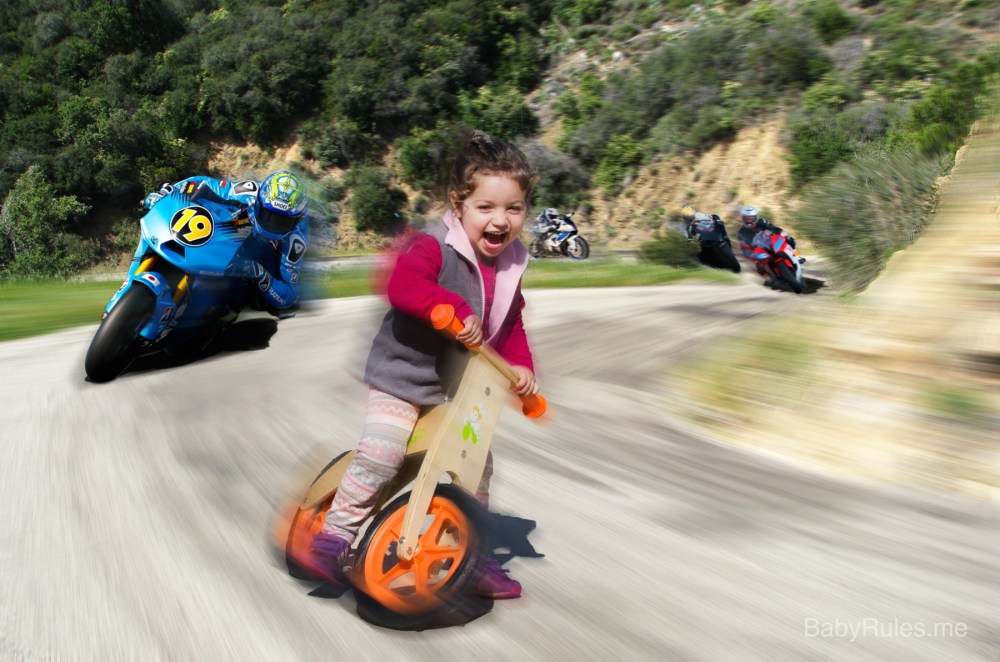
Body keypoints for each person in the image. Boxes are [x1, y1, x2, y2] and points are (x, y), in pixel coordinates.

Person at [303, 133, 540, 600]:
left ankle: (471, 556)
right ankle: (335, 536)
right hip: (401, 379)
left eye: (513, 208)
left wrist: (522, 369)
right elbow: (404, 285)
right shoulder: (434, 245)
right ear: (460, 204)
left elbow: (511, 324)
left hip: (455, 389)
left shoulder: (510, 264)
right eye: (486, 207)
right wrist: (447, 305)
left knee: (476, 465)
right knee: (382, 453)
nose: (500, 220)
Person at [142, 170, 309, 316]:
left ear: (295, 221)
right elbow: (202, 183)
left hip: (266, 255)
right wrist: (168, 192)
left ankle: (219, 314)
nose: (272, 225)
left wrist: (259, 273)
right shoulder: (251, 192)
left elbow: (289, 296)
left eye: (282, 222)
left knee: (260, 302)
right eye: (268, 216)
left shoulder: (296, 240)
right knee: (221, 218)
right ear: (259, 203)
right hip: (243, 222)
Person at [736, 205, 793, 287]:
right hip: (759, 250)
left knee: (789, 241)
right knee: (759, 267)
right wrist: (749, 254)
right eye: (746, 219)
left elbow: (773, 228)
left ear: (756, 217)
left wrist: (783, 234)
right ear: (743, 219)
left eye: (751, 218)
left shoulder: (762, 221)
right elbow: (744, 247)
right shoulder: (741, 232)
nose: (749, 221)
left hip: (769, 242)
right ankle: (769, 279)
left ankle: (796, 256)